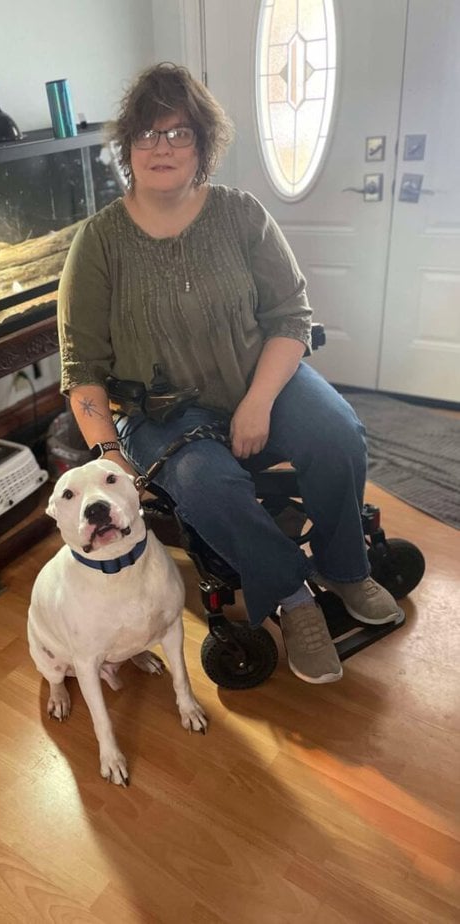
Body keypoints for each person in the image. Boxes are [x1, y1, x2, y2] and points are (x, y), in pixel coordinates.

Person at [56, 62, 400, 684]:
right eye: (148, 134)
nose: (162, 148)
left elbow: (291, 317)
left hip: (259, 377)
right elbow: (81, 367)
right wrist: (110, 455)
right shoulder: (99, 243)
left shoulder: (242, 215)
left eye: (179, 133)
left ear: (203, 144)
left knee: (337, 436)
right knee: (206, 483)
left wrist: (258, 402)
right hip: (161, 413)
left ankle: (346, 569)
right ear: (128, 146)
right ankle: (294, 602)